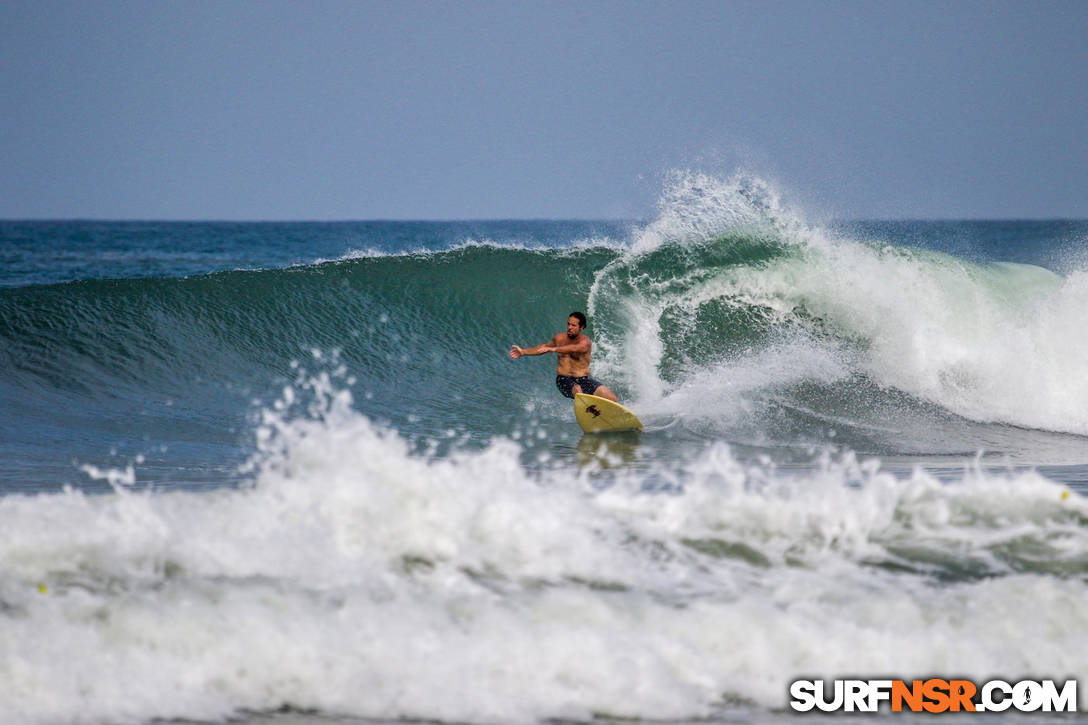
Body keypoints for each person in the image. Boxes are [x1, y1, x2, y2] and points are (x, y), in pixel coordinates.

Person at [509, 311, 619, 402]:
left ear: (582, 327)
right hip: (563, 380)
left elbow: (574, 348)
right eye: (568, 324)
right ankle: (590, 412)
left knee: (611, 398)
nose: (569, 327)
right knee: (577, 390)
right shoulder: (559, 338)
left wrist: (554, 349)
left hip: (583, 380)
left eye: (573, 325)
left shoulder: (585, 343)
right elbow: (544, 347)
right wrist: (523, 352)